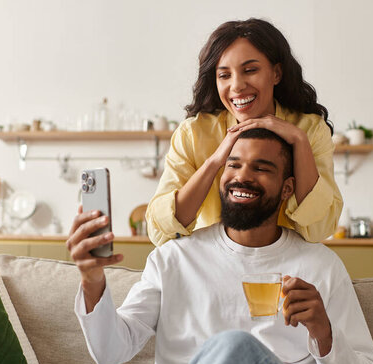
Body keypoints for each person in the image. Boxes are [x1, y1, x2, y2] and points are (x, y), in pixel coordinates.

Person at [67, 128, 373, 364]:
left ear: (287, 189)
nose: (243, 176)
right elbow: (110, 352)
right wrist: (92, 280)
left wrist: (323, 331)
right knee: (231, 349)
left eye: (262, 168)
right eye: (233, 165)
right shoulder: (175, 258)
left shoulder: (320, 266)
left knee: (236, 347)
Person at [145, 18, 343, 246]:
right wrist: (214, 162)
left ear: (276, 73)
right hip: (212, 263)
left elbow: (319, 228)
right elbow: (161, 230)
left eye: (250, 70)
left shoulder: (310, 130)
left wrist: (299, 140)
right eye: (224, 75)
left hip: (286, 267)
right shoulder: (193, 133)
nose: (237, 86)